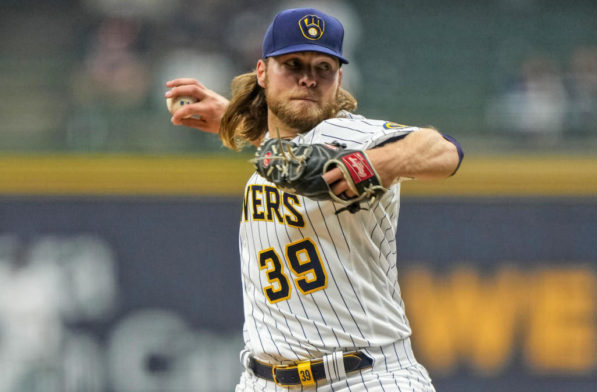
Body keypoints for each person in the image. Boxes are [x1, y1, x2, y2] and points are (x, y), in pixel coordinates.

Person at [165, 7, 463, 391]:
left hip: (366, 377)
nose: (308, 78)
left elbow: (444, 150)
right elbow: (292, 160)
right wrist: (234, 119)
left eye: (324, 68)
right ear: (262, 72)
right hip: (262, 380)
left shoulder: (352, 136)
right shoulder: (278, 154)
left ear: (339, 80)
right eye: (293, 64)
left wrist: (369, 164)